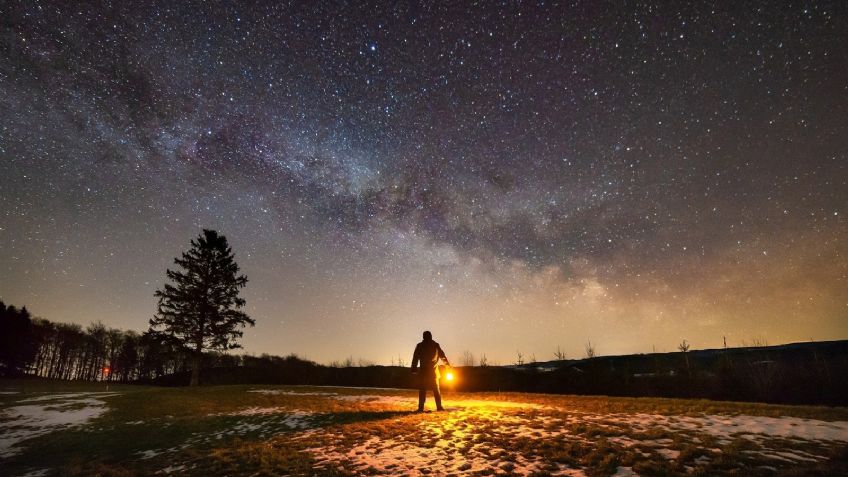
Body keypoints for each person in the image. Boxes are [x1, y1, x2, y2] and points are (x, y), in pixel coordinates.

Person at [411, 330, 450, 412]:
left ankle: (421, 408)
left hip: (424, 372)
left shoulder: (420, 346)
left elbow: (415, 358)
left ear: (423, 337)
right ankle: (439, 407)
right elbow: (442, 356)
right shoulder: (435, 345)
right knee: (435, 390)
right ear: (431, 336)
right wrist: (447, 365)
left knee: (423, 390)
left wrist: (413, 369)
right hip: (433, 372)